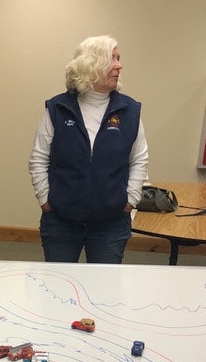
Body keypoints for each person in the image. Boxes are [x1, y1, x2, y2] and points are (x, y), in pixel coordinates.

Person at [29, 35, 148, 263]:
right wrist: (44, 199)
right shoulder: (58, 109)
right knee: (59, 284)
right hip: (61, 220)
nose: (119, 65)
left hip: (111, 223)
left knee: (104, 290)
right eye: (112, 58)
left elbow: (139, 159)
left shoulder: (129, 110)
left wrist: (130, 199)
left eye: (119, 58)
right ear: (91, 64)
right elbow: (38, 158)